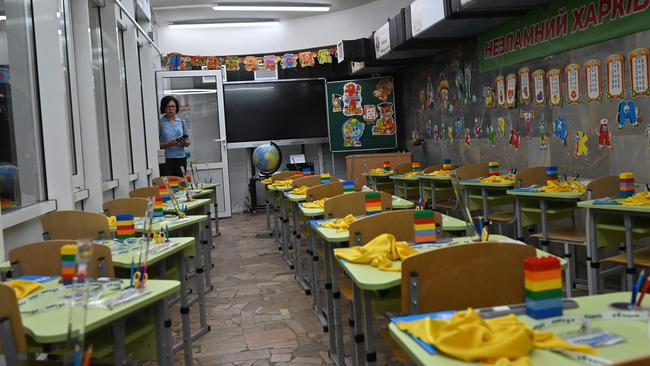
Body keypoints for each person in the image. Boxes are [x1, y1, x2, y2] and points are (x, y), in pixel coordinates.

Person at [159, 96, 190, 177]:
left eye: (173, 106)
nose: (171, 109)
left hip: (181, 158)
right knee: (168, 184)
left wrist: (184, 142)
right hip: (166, 159)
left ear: (176, 107)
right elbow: (156, 145)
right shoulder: (160, 123)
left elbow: (188, 141)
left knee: (181, 184)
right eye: (168, 107)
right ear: (163, 108)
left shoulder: (181, 122)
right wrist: (168, 144)